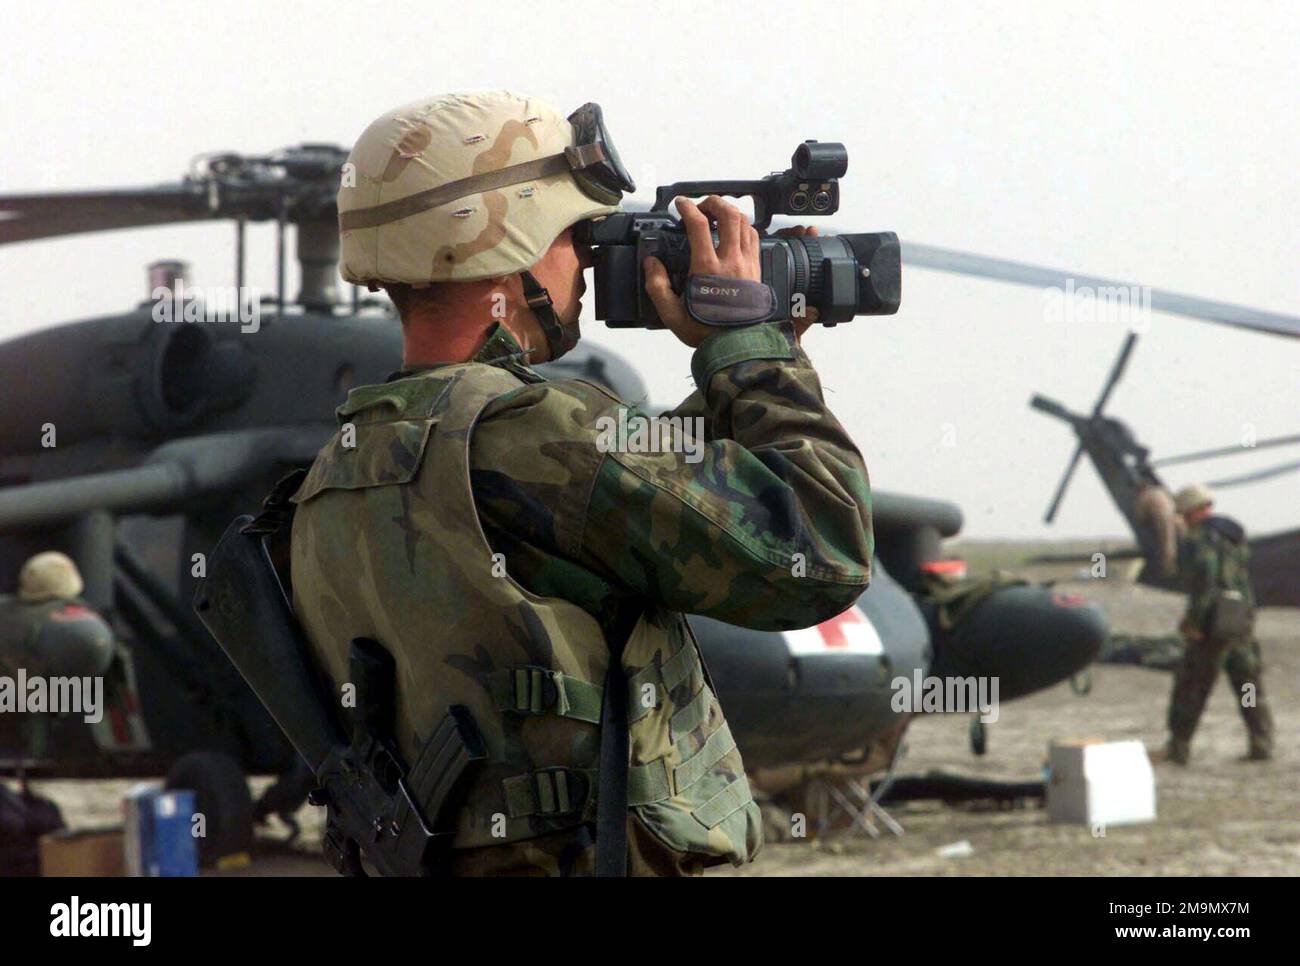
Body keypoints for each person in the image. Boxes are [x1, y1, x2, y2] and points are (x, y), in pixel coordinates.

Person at [288, 91, 874, 875]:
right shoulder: (535, 433)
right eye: (574, 234)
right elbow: (822, 550)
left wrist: (746, 360)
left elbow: (634, 493)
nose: (589, 261)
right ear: (510, 241)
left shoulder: (341, 463)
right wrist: (760, 359)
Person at [1163, 484, 1273, 764]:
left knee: (1193, 685)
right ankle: (1261, 741)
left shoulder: (1201, 538)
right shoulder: (1233, 535)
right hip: (1240, 620)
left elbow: (1206, 581)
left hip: (1213, 624)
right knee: (1247, 684)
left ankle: (1179, 745)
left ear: (1191, 511)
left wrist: (1194, 622)